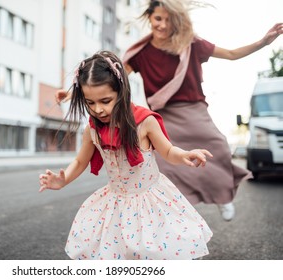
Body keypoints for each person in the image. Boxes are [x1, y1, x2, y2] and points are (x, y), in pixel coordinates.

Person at [56, 0, 283, 221]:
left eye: (168, 19)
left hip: (193, 109)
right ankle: (173, 210)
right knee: (166, 163)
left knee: (219, 147)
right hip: (162, 114)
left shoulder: (191, 44)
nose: (162, 25)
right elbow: (108, 81)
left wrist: (263, 42)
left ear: (176, 21)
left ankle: (222, 196)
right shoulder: (141, 52)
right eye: (157, 18)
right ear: (149, 18)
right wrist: (70, 93)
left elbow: (232, 54)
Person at [40, 51, 213, 260]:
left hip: (151, 201)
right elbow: (80, 161)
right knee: (118, 253)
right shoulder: (92, 130)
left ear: (121, 91)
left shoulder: (144, 122)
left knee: (153, 251)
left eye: (105, 100)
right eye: (90, 103)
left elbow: (168, 150)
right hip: (116, 204)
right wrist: (63, 179)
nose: (98, 109)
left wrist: (185, 154)